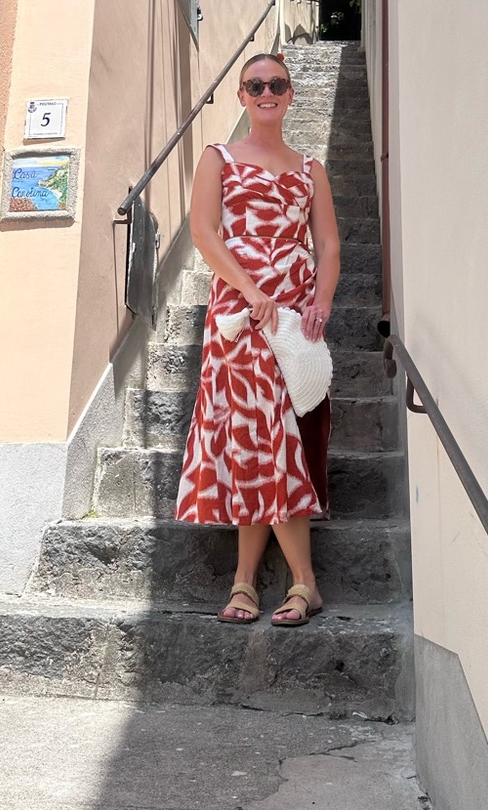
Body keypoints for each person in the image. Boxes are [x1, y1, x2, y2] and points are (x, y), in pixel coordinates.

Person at [174, 52, 341, 626]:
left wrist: (320, 303)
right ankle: (256, 582)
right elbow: (203, 232)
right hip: (238, 319)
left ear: (291, 94)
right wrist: (248, 289)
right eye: (255, 84)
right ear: (241, 96)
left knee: (277, 441)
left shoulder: (310, 168)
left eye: (277, 84)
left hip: (291, 322)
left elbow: (329, 247)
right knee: (251, 442)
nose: (266, 91)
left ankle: (296, 582)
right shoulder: (217, 158)